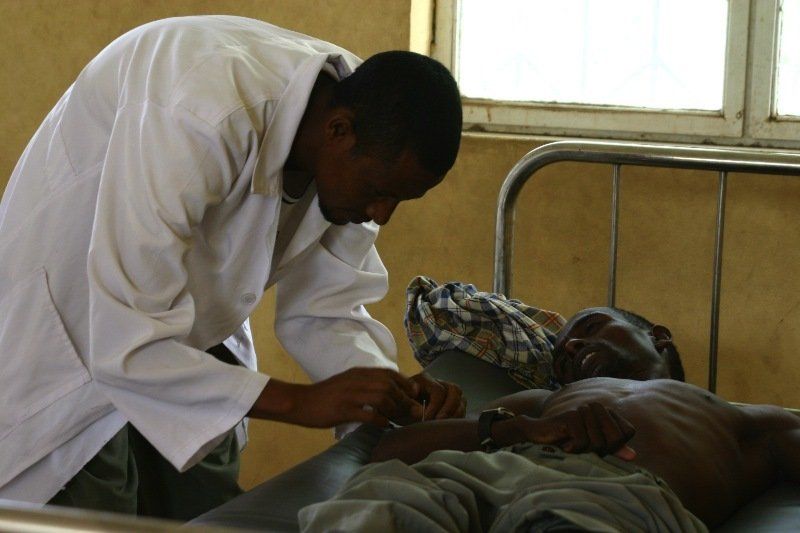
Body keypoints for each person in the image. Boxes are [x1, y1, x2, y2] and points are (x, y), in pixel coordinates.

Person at [0, 15, 465, 518]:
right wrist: (302, 403)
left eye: (399, 200)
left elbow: (328, 308)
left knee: (206, 510)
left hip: (184, 330)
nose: (382, 214)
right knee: (97, 511)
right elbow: (125, 338)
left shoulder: (367, 121)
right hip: (75, 334)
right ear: (337, 132)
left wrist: (387, 396)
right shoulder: (200, 112)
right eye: (379, 193)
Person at [300, 364, 800, 530]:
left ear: (658, 339)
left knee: (567, 521)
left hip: (608, 490)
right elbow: (390, 451)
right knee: (384, 500)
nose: (573, 347)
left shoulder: (734, 415)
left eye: (592, 327)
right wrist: (520, 429)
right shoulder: (543, 401)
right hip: (484, 471)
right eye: (565, 345)